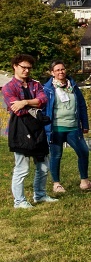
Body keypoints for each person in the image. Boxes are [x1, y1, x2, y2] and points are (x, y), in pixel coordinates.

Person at [4, 53, 55, 208]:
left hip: (37, 130)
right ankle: (19, 201)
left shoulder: (35, 84)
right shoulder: (9, 87)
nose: (26, 71)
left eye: (29, 68)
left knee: (43, 166)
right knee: (22, 167)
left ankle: (40, 195)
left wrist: (25, 102)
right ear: (15, 66)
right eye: (23, 67)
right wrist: (34, 104)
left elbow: (44, 101)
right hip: (20, 129)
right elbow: (16, 109)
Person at [44, 61, 91, 194]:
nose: (61, 72)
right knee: (56, 155)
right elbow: (44, 109)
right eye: (57, 70)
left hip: (73, 128)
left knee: (83, 152)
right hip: (56, 128)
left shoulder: (73, 86)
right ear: (52, 73)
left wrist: (85, 124)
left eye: (62, 69)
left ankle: (85, 181)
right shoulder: (47, 89)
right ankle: (57, 184)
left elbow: (82, 106)